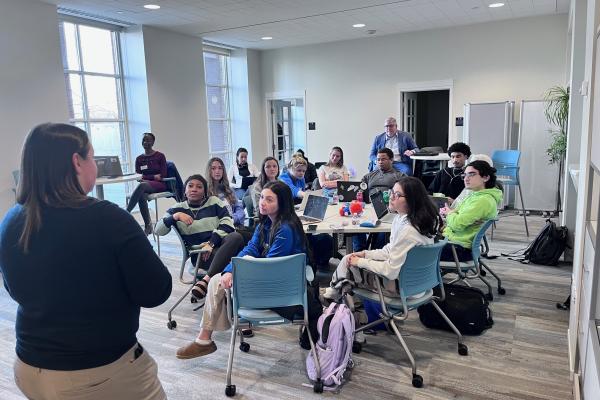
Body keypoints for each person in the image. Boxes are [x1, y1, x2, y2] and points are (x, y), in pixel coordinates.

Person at [0, 123, 171, 400]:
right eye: (92, 157)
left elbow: (15, 289)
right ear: (76, 162)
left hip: (30, 368)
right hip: (97, 374)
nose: (95, 164)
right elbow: (156, 291)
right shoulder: (109, 219)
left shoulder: (11, 221)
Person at [175, 181, 322, 359]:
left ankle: (205, 339)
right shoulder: (264, 225)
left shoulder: (286, 229)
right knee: (219, 280)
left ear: (281, 203)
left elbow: (271, 266)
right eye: (261, 198)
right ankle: (205, 338)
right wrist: (229, 270)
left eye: (269, 200)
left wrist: (236, 271)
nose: (262, 203)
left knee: (217, 283)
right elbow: (249, 250)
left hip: (285, 295)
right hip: (274, 288)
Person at [323, 176, 441, 300]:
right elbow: (391, 251)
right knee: (350, 262)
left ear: (412, 200)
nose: (391, 197)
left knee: (348, 265)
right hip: (418, 284)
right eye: (392, 192)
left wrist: (360, 262)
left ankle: (332, 297)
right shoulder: (409, 219)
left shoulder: (408, 230)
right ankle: (336, 295)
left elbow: (391, 271)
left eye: (397, 195)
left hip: (404, 288)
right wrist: (365, 254)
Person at [155, 174, 244, 301]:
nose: (194, 189)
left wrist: (211, 243)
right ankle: (231, 301)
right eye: (190, 186)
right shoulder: (177, 208)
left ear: (204, 191)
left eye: (199, 187)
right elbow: (158, 230)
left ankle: (206, 280)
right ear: (185, 190)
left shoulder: (214, 202)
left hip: (219, 245)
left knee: (236, 237)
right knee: (240, 257)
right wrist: (175, 216)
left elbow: (228, 223)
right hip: (201, 256)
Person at [439, 160, 503, 262]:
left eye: (471, 175)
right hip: (453, 242)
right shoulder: (475, 195)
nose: (466, 179)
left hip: (458, 249)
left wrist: (450, 213)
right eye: (464, 175)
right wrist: (451, 214)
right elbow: (457, 218)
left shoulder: (482, 200)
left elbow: (457, 224)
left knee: (412, 249)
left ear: (485, 177)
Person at [354, 147, 405, 252]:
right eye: (378, 159)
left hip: (387, 209)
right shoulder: (369, 176)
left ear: (391, 160)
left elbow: (405, 193)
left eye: (383, 159)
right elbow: (359, 189)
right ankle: (359, 250)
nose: (380, 162)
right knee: (355, 224)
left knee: (382, 231)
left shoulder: (399, 175)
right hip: (369, 208)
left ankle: (376, 253)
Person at [126, 132, 168, 235]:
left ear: (153, 142)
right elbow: (138, 176)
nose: (145, 142)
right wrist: (153, 177)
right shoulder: (139, 159)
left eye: (148, 140)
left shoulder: (160, 156)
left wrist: (148, 179)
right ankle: (148, 225)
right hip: (146, 186)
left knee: (142, 186)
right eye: (144, 140)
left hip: (160, 185)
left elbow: (162, 175)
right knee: (142, 195)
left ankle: (126, 212)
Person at [206, 157, 246, 227]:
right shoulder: (205, 192)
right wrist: (227, 221)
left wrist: (233, 219)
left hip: (234, 225)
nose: (217, 171)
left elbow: (240, 208)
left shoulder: (229, 189)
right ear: (209, 171)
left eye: (220, 168)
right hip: (220, 229)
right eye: (213, 168)